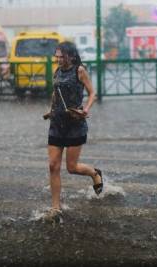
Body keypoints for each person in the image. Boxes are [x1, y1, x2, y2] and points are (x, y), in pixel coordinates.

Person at [44, 41, 103, 221]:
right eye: (57, 56)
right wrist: (51, 109)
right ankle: (56, 208)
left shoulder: (79, 71)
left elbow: (93, 92)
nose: (59, 60)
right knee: (53, 165)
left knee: (71, 168)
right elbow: (56, 93)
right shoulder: (57, 71)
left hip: (75, 124)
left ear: (71, 55)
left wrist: (86, 109)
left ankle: (95, 173)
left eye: (62, 57)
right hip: (57, 123)